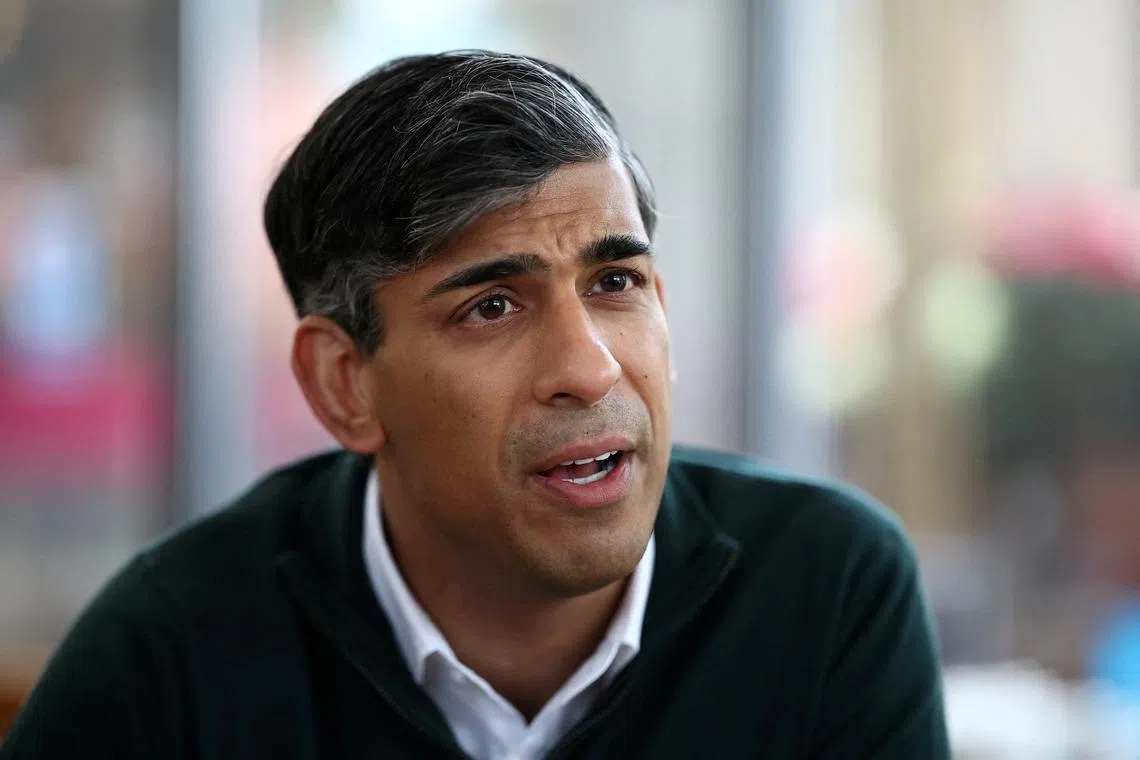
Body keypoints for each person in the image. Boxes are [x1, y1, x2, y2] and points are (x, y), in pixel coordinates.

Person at [1, 51, 949, 759]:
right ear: (345, 383)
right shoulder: (171, 654)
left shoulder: (827, 592)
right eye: (492, 306)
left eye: (615, 281)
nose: (589, 368)